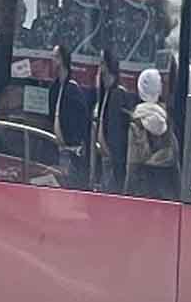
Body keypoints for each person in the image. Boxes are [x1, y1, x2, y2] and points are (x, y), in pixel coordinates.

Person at [125, 68, 178, 199]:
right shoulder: (167, 119)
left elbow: (132, 165)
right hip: (166, 193)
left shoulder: (137, 121)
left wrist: (126, 195)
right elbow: (176, 159)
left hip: (143, 193)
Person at [91, 49, 135, 193]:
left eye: (102, 63)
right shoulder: (106, 93)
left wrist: (115, 158)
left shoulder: (117, 94)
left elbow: (117, 131)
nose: (99, 68)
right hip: (104, 158)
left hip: (113, 160)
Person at [49, 44, 91, 189]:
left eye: (54, 57)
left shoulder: (73, 89)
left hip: (71, 148)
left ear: (61, 60)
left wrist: (75, 140)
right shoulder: (55, 87)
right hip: (58, 146)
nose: (52, 60)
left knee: (70, 184)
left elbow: (82, 118)